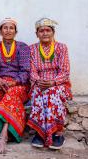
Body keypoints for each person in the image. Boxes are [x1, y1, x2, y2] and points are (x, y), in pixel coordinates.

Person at [0, 18, 30, 154]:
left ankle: (3, 136)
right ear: (0, 31)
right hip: (1, 81)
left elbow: (26, 70)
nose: (8, 30)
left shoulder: (22, 47)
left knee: (12, 94)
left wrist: (14, 82)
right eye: (5, 28)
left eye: (11, 28)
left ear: (15, 31)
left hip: (19, 84)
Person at [28, 18, 72, 150]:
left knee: (51, 92)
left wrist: (53, 82)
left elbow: (65, 71)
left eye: (48, 30)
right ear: (37, 34)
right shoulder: (32, 49)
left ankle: (58, 133)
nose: (45, 33)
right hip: (39, 83)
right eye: (41, 31)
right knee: (39, 91)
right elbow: (32, 70)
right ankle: (40, 133)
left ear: (53, 32)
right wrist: (38, 81)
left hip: (59, 83)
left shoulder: (61, 47)